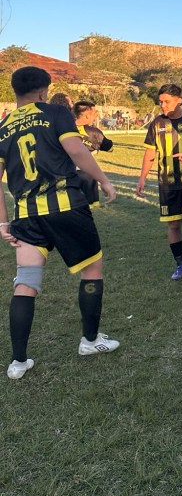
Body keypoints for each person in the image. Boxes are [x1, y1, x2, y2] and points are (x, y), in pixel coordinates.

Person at [0, 66, 119, 380]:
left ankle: (18, 362)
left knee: (26, 282)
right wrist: (104, 180)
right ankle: (89, 341)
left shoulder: (3, 127)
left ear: (15, 92)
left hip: (26, 215)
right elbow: (77, 150)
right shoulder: (55, 112)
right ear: (43, 91)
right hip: (65, 207)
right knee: (91, 270)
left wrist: (2, 224)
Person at [136, 84, 182, 281]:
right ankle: (180, 265)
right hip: (167, 183)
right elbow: (150, 152)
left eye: (167, 101)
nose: (163, 105)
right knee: (173, 224)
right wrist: (142, 178)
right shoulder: (157, 123)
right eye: (161, 102)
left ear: (179, 100)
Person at [73, 99, 114, 205]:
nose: (96, 116)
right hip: (87, 174)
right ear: (87, 116)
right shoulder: (94, 132)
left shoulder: (63, 127)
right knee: (90, 208)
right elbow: (109, 147)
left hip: (63, 174)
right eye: (94, 113)